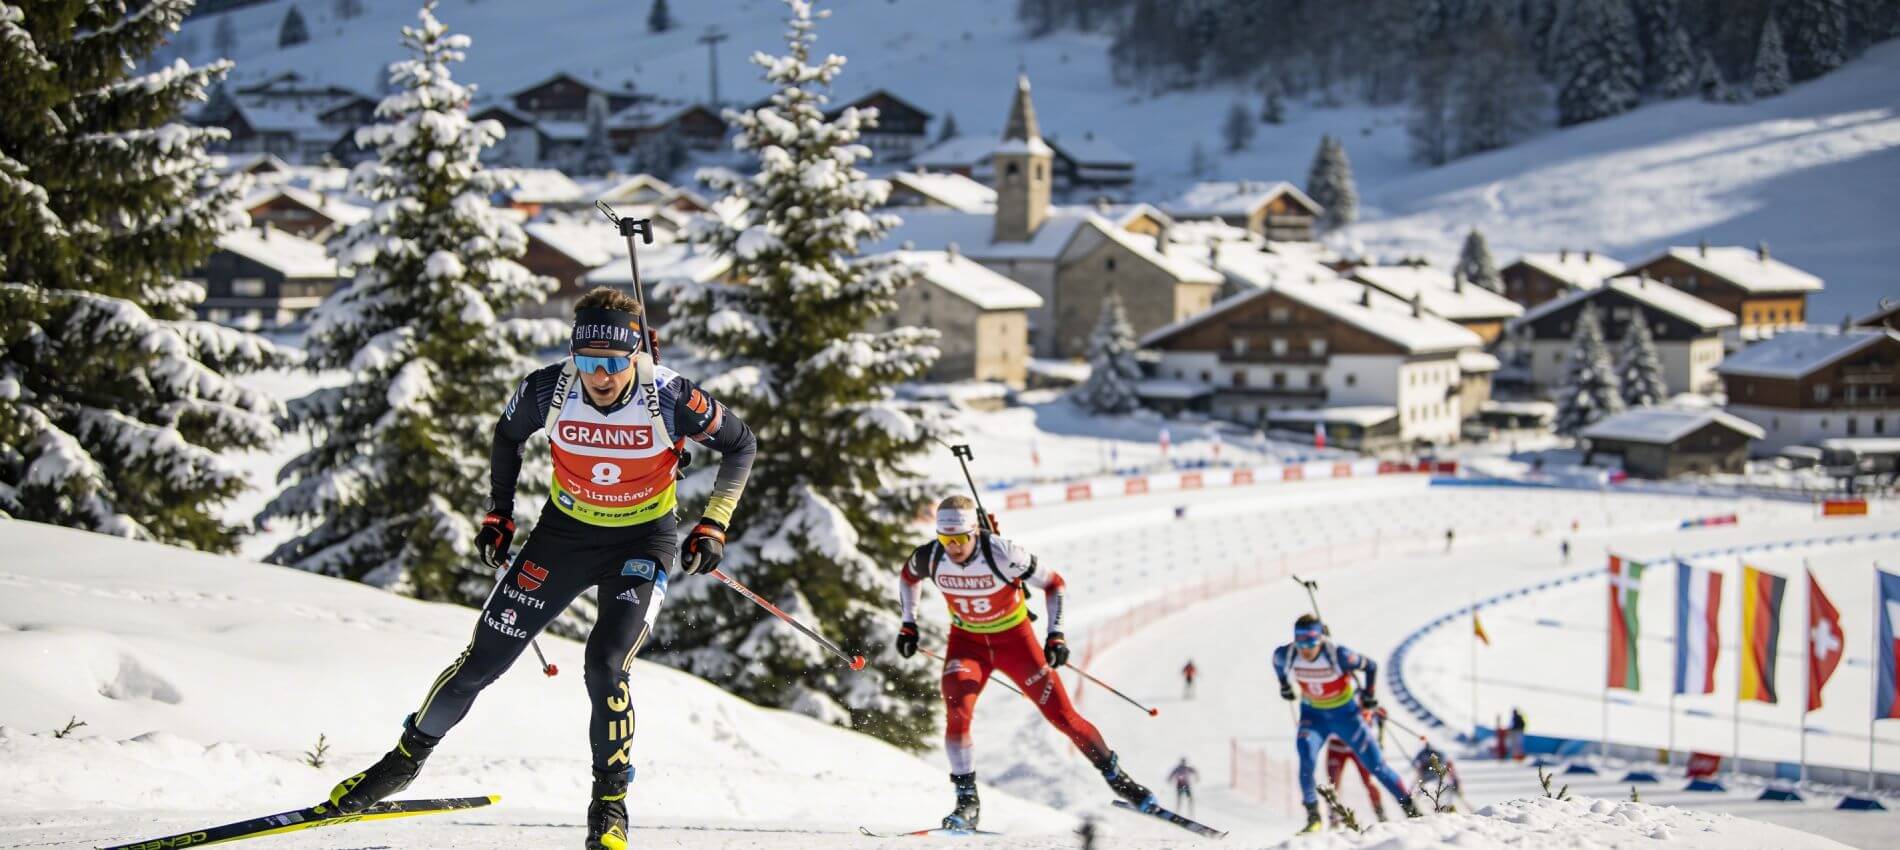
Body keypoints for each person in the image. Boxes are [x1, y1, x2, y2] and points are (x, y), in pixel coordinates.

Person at [325, 288, 758, 850]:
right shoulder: (547, 388)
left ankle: (609, 806)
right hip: (562, 537)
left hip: (641, 542)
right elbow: (508, 436)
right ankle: (401, 763)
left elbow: (740, 443)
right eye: (587, 361)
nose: (598, 376)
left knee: (605, 665)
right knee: (482, 658)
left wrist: (714, 523)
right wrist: (498, 514)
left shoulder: (670, 395)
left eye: (611, 362)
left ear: (635, 355)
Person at [895, 496, 1156, 830]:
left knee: (1064, 718)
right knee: (957, 713)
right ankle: (967, 803)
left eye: (959, 539)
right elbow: (908, 577)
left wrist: (1056, 635)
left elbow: (1054, 583)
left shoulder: (1002, 553)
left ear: (974, 532)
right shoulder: (930, 556)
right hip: (967, 644)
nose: (953, 548)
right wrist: (909, 623)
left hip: (1015, 643)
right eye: (946, 539)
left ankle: (1120, 780)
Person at [1275, 614, 1419, 833]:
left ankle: (1413, 811)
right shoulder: (1287, 654)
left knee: (1377, 767)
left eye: (1311, 642)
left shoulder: (1339, 656)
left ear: (1321, 638)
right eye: (1300, 642)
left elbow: (1371, 666)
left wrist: (1369, 696)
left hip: (1347, 716)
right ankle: (1314, 818)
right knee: (1306, 759)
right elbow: (1276, 662)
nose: (1306, 648)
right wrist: (1284, 684)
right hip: (1314, 717)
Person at [1323, 705, 1389, 824]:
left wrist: (1379, 716)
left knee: (1369, 782)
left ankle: (1381, 815)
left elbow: (1373, 711)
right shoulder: (1334, 697)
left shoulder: (1359, 696)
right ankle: (1333, 818)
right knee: (1332, 784)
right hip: (1336, 748)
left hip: (1358, 747)